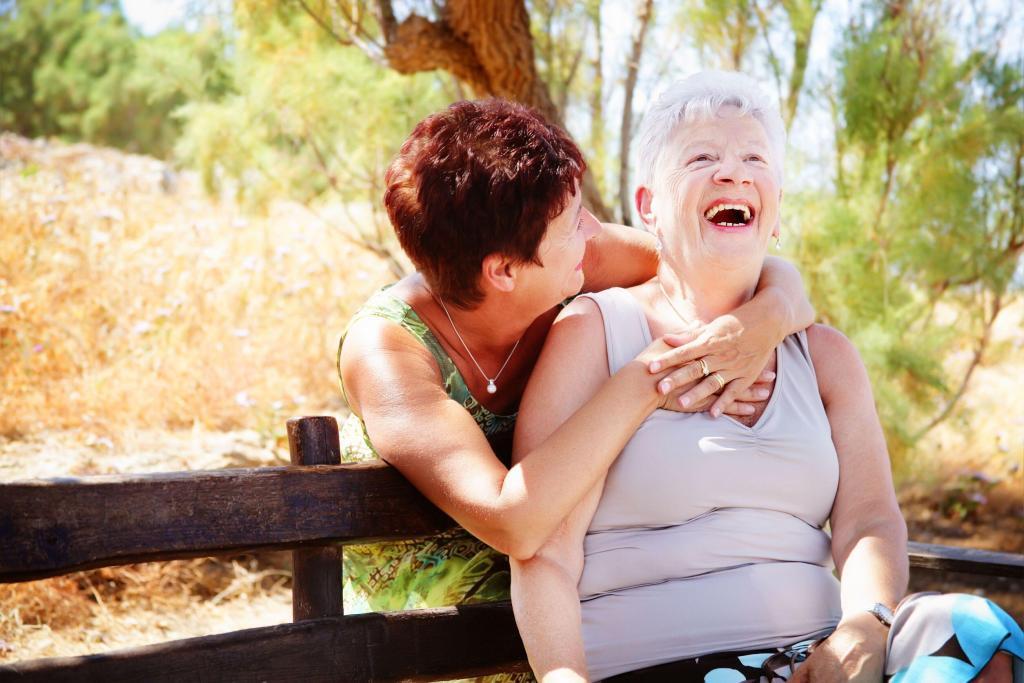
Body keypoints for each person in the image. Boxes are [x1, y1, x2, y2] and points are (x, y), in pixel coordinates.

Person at [509, 71, 1023, 682]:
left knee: (977, 635)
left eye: (754, 157)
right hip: (664, 663)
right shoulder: (595, 333)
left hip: (818, 660)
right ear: (649, 206)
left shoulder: (824, 354)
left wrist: (865, 625)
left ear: (774, 209)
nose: (734, 172)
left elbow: (870, 522)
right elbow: (545, 547)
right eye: (702, 157)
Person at [336, 98, 816, 623]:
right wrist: (650, 382)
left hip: (574, 599)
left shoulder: (577, 256)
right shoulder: (388, 353)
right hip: (431, 630)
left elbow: (728, 268)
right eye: (572, 224)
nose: (593, 229)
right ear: (503, 271)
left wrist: (761, 322)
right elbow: (511, 521)